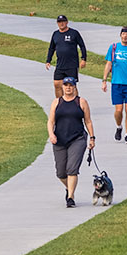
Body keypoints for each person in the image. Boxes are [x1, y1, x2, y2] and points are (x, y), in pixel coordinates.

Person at [48, 77, 94, 207]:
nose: (68, 88)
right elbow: (51, 121)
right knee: (61, 173)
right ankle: (69, 187)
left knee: (72, 169)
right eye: (66, 85)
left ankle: (70, 197)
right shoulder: (57, 102)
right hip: (59, 140)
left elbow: (88, 121)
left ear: (75, 87)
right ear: (62, 87)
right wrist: (51, 134)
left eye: (71, 85)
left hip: (77, 138)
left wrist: (92, 137)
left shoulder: (81, 102)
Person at [45, 14, 89, 101]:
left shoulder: (74, 33)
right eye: (59, 22)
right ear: (57, 23)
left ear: (67, 22)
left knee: (72, 86)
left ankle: (75, 104)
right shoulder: (55, 34)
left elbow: (82, 46)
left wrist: (83, 59)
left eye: (63, 22)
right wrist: (48, 60)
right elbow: (51, 48)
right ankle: (60, 103)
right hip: (60, 64)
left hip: (71, 64)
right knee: (57, 84)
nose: (61, 24)